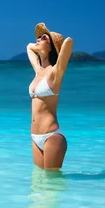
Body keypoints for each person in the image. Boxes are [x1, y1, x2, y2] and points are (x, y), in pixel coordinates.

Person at [26, 22, 74, 170]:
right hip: (35, 137)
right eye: (38, 37)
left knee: (51, 184)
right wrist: (41, 45)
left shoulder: (54, 73)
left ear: (52, 46)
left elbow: (68, 45)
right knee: (37, 182)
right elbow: (28, 47)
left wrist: (58, 43)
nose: (38, 39)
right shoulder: (38, 71)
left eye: (43, 38)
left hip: (52, 136)